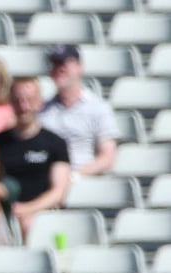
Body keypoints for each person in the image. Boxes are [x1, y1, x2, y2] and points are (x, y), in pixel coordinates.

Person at [0, 77, 71, 238]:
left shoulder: (55, 143)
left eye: (29, 100)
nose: (24, 106)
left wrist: (27, 209)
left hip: (41, 213)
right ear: (11, 102)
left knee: (29, 224)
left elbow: (58, 191)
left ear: (40, 102)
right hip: (0, 212)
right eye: (18, 100)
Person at [39, 44, 120, 177]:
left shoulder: (98, 107)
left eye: (65, 63)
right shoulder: (42, 111)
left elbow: (107, 157)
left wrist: (75, 175)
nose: (60, 69)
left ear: (79, 67)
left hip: (84, 180)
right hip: (48, 180)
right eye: (55, 64)